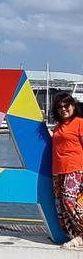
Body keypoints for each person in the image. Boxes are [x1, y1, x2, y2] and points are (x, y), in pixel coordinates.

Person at [50, 93, 83, 249]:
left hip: (75, 169)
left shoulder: (79, 123)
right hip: (58, 171)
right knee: (61, 207)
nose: (63, 109)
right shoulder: (57, 127)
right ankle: (77, 236)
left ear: (73, 106)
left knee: (69, 201)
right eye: (60, 106)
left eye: (66, 105)